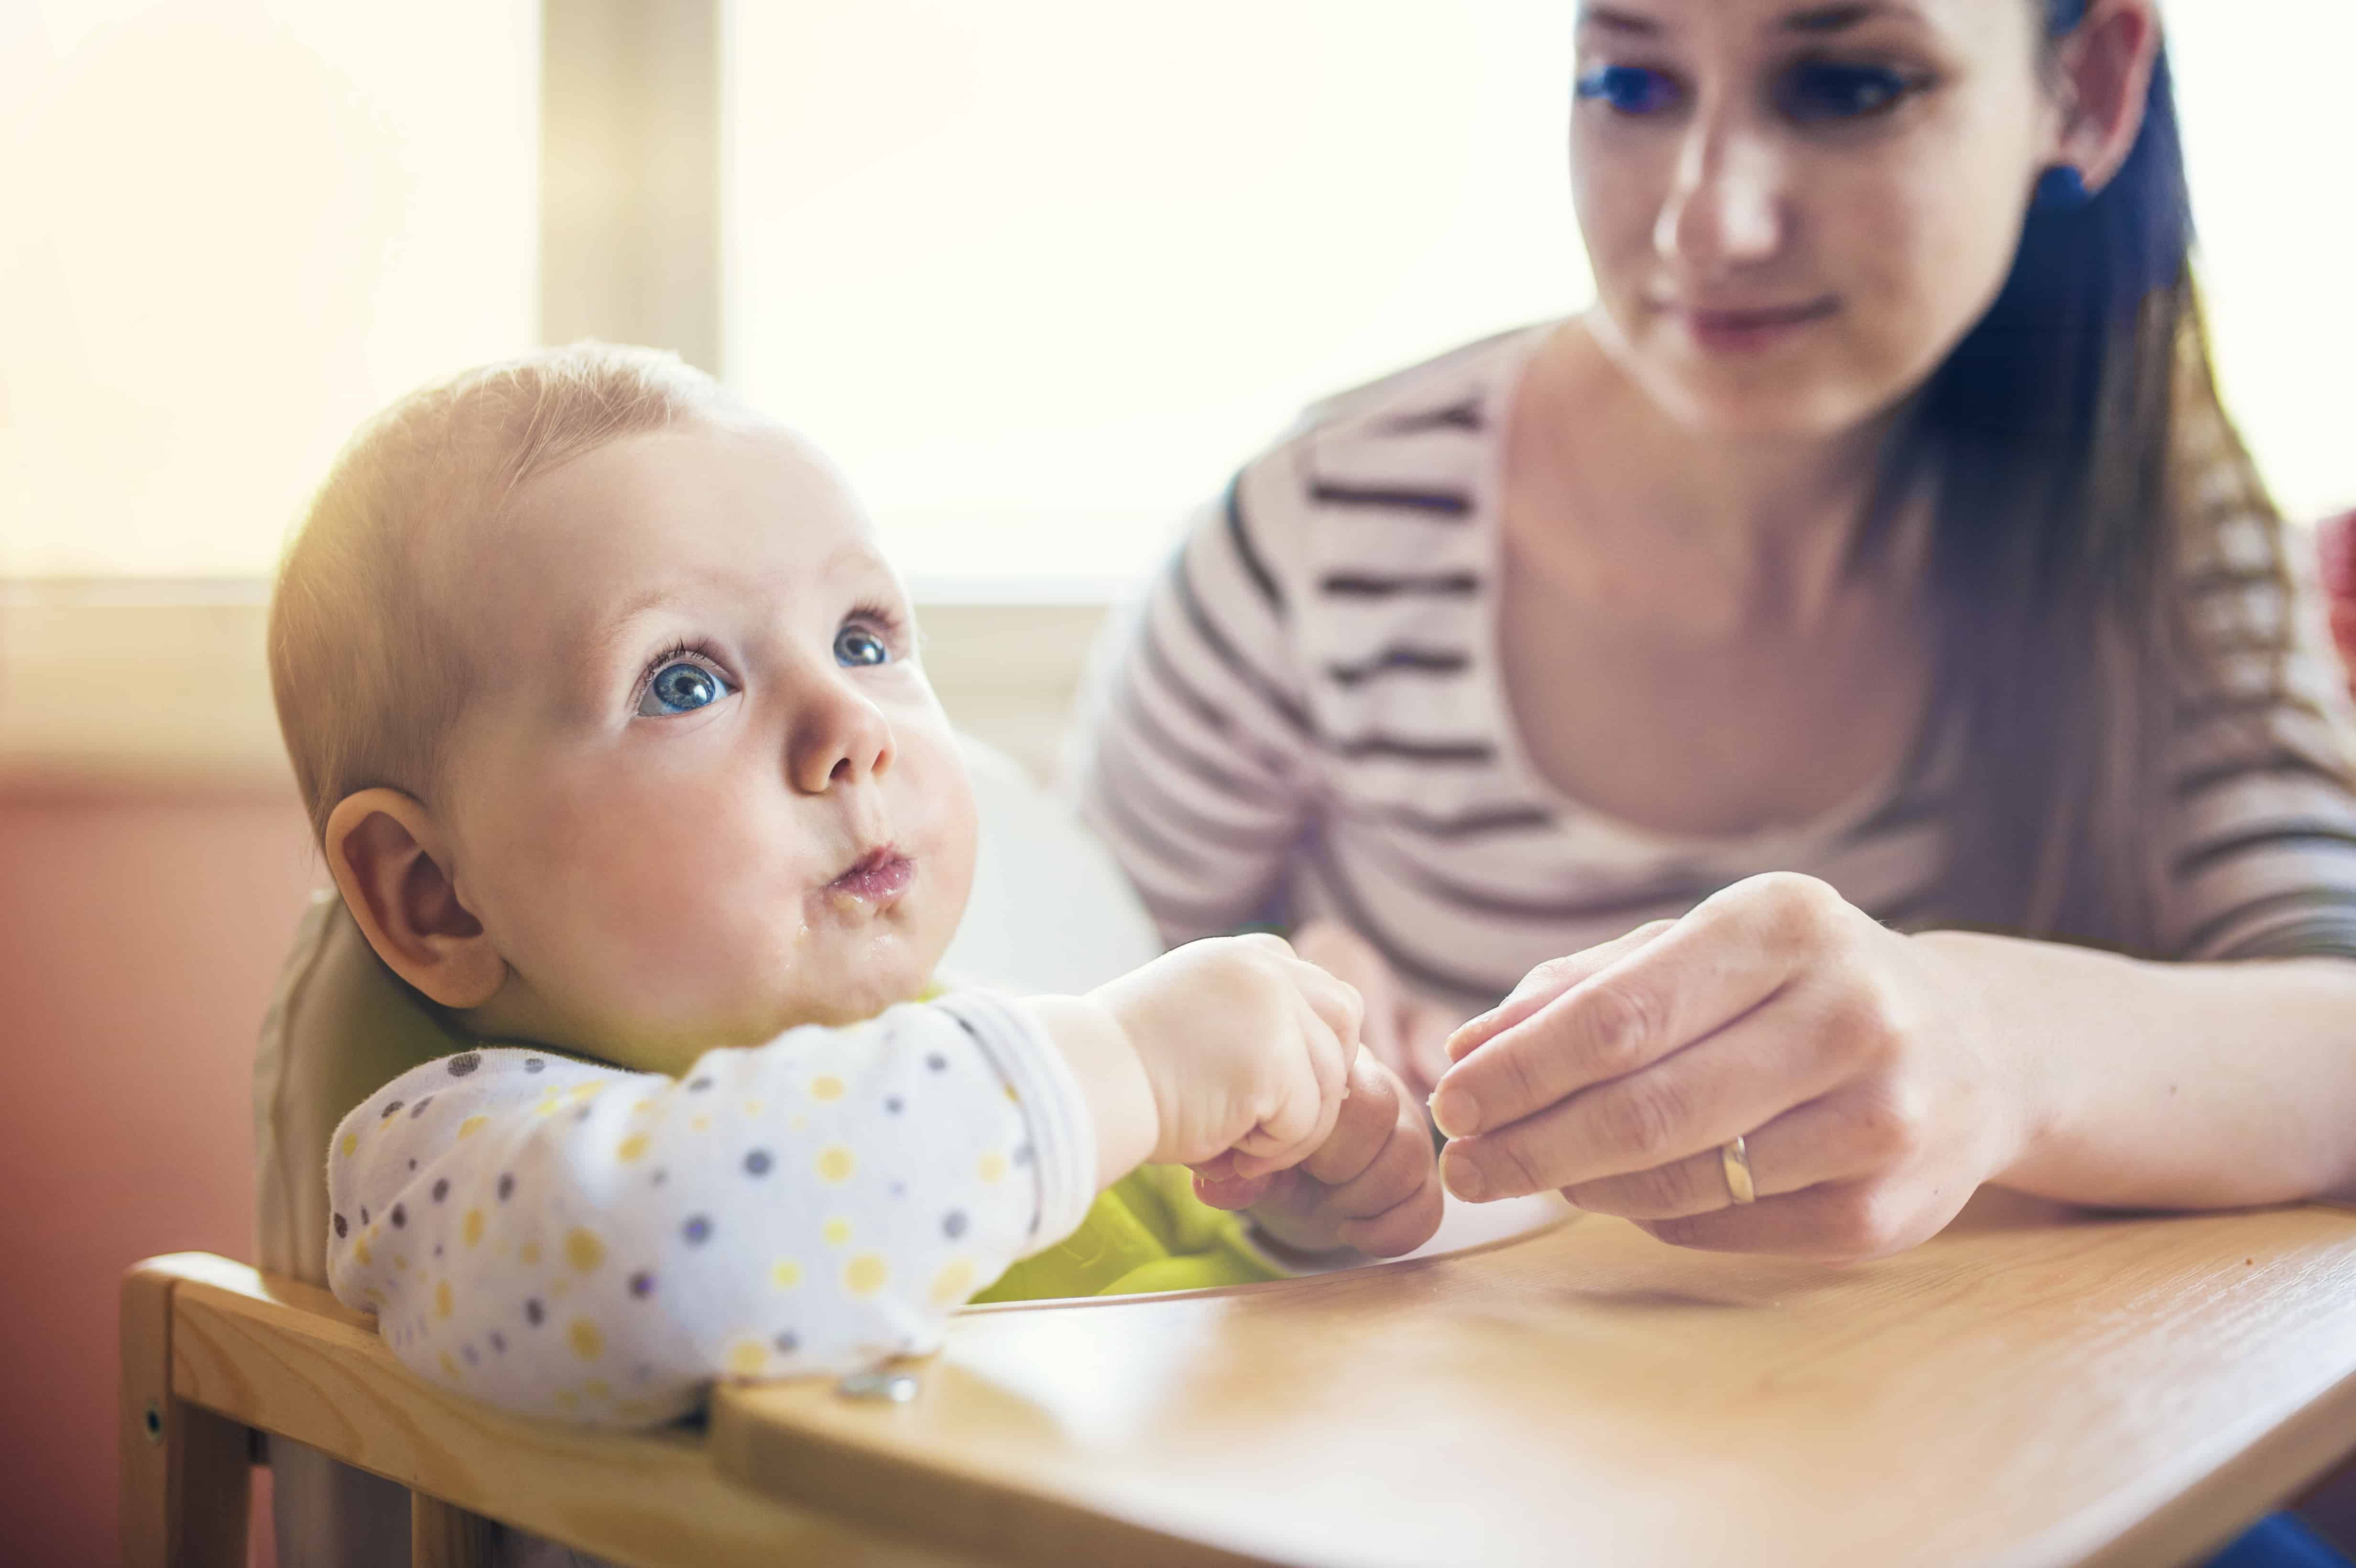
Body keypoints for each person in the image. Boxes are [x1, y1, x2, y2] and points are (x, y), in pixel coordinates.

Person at [1071, 0, 2356, 1273]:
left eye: (1851, 86)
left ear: (2087, 82)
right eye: (1631, 84)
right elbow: (1026, 1054)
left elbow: (2334, 1041)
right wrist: (1255, 1072)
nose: (1711, 220)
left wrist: (1990, 1042)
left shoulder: (2155, 533)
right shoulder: (1321, 533)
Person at [267, 342, 1442, 1428]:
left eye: (865, 639)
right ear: (436, 893)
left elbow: (1221, 1368)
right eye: (683, 681)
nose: (852, 725)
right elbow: (693, 1252)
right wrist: (1128, 1064)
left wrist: (1303, 1216)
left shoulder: (997, 1052)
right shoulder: (457, 1164)